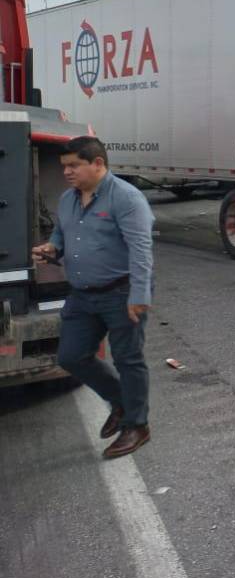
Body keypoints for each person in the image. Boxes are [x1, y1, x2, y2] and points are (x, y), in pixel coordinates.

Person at [32, 136, 156, 459]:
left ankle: (137, 425)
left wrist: (140, 295)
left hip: (122, 293)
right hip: (82, 295)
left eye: (74, 165)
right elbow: (61, 233)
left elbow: (141, 252)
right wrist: (52, 248)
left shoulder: (127, 199)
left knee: (129, 359)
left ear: (98, 163)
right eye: (64, 167)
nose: (67, 172)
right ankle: (121, 401)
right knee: (71, 356)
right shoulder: (68, 200)